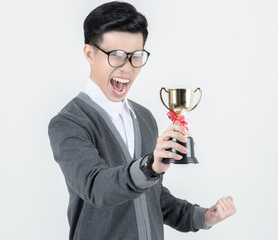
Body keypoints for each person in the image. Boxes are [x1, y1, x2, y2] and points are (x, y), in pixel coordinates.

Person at [48, 1, 236, 239]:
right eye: (116, 55)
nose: (127, 68)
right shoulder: (69, 122)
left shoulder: (144, 117)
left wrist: (201, 216)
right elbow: (96, 187)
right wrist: (150, 166)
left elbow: (152, 195)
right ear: (90, 53)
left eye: (136, 56)